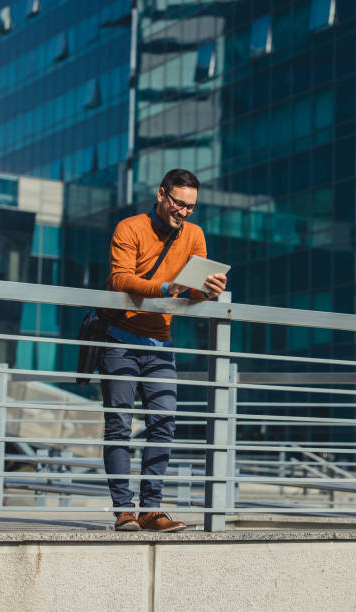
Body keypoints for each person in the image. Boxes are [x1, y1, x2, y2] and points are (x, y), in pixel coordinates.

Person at [99, 168, 227, 531]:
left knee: (164, 422)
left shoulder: (195, 235)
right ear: (161, 195)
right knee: (119, 425)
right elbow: (119, 278)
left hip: (160, 344)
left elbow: (196, 290)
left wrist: (211, 289)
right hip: (121, 339)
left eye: (191, 207)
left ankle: (151, 508)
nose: (184, 212)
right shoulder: (130, 227)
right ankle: (124, 510)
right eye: (178, 203)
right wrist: (165, 287)